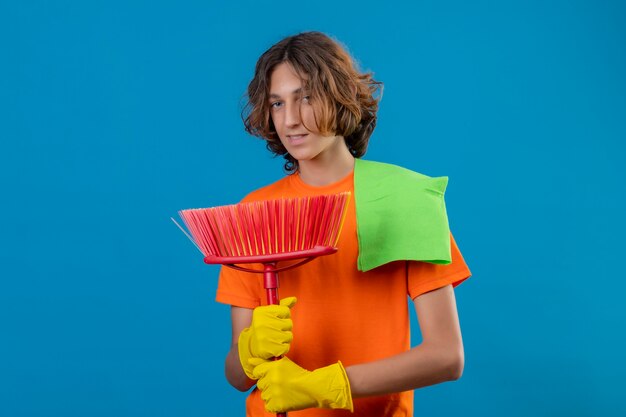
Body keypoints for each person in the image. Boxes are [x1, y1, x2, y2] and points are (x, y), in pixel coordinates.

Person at [216, 31, 471, 416]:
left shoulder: (403, 198)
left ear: (339, 96)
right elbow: (238, 377)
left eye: (306, 98)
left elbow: (446, 356)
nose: (290, 120)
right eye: (277, 103)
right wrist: (250, 350)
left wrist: (327, 386)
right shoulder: (255, 212)